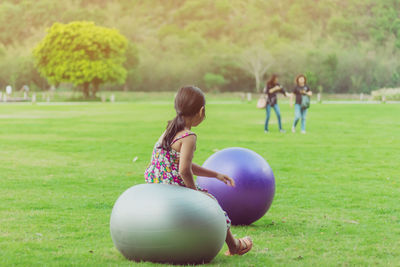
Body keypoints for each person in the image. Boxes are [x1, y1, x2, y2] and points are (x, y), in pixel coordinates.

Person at [144, 86, 253, 256]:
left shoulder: (169, 130)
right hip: (172, 188)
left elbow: (180, 164)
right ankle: (234, 246)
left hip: (157, 184)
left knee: (207, 198)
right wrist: (194, 194)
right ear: (201, 111)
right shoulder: (188, 136)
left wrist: (215, 174)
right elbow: (183, 170)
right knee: (212, 204)